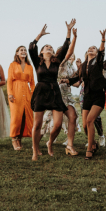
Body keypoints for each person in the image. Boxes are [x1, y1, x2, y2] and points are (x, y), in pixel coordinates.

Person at [66, 29, 106, 159]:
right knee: (85, 125)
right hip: (87, 96)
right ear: (86, 52)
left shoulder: (98, 62)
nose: (91, 49)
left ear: (96, 53)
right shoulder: (83, 65)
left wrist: (102, 40)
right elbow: (77, 79)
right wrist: (66, 80)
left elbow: (102, 52)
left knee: (90, 120)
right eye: (89, 48)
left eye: (94, 48)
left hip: (98, 96)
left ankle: (90, 149)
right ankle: (93, 142)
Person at [29, 20, 77, 160]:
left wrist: (68, 32)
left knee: (57, 124)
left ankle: (50, 142)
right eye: (46, 47)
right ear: (42, 51)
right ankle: (35, 150)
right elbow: (32, 47)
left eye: (51, 47)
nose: (49, 48)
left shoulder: (57, 61)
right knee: (37, 124)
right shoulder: (37, 62)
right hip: (41, 92)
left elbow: (66, 46)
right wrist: (39, 36)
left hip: (54, 93)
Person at [7, 46, 35, 151]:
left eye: (25, 50)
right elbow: (9, 80)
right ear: (17, 53)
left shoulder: (29, 66)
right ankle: (14, 139)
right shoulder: (13, 65)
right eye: (21, 50)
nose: (23, 51)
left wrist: (34, 94)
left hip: (27, 93)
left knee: (25, 116)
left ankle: (20, 139)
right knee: (16, 116)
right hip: (15, 92)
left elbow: (32, 82)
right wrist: (10, 93)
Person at [56, 49, 81, 154]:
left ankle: (69, 145)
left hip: (67, 96)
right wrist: (72, 36)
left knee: (73, 117)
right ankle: (39, 143)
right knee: (53, 122)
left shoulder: (72, 67)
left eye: (72, 56)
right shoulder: (59, 63)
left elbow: (76, 83)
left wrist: (79, 68)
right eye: (69, 55)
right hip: (57, 95)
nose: (70, 57)